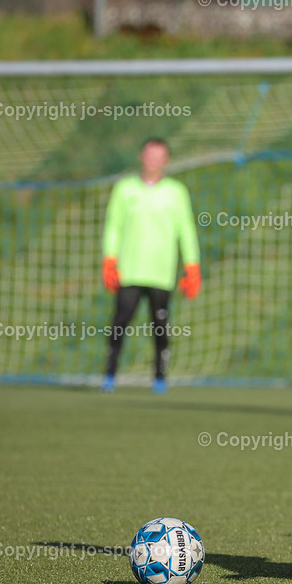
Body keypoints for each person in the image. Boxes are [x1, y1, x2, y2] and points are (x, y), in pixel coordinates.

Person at [101, 137, 201, 393]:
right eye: (149, 155)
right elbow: (113, 225)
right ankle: (109, 376)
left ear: (165, 161)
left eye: (159, 157)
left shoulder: (176, 192)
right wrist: (109, 258)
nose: (153, 161)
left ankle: (159, 378)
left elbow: (186, 230)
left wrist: (192, 266)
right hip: (130, 270)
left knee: (160, 327)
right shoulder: (124, 189)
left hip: (161, 272)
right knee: (120, 323)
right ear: (141, 157)